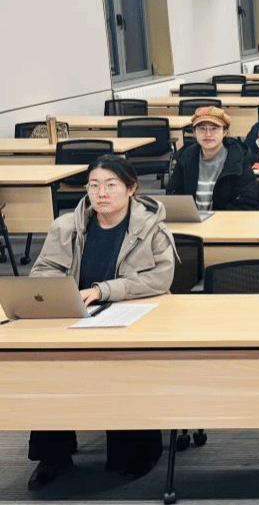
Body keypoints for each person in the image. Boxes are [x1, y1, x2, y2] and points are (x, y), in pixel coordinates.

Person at [27, 155, 175, 488]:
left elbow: (160, 278)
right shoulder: (66, 226)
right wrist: (63, 292)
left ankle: (136, 455)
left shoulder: (151, 228)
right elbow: (43, 270)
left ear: (131, 189)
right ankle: (53, 454)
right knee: (45, 363)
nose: (101, 193)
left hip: (132, 314)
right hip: (76, 314)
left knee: (123, 364)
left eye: (110, 185)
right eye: (94, 185)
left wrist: (102, 290)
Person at [167, 106, 258, 210]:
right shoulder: (185, 158)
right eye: (202, 129)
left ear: (225, 131)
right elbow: (173, 196)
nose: (208, 134)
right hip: (192, 219)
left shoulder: (238, 159)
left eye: (214, 129)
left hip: (227, 219)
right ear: (194, 133)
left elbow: (248, 202)